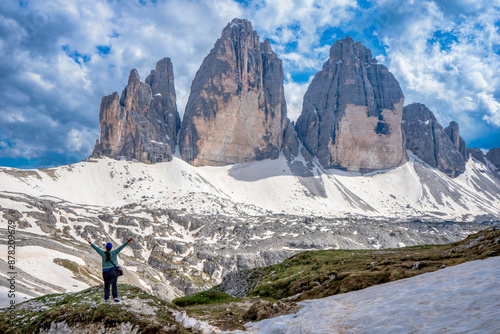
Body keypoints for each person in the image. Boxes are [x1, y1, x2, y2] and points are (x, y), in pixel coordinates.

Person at [85, 238, 133, 302]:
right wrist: (127, 242)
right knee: (114, 285)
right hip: (113, 271)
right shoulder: (114, 252)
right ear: (111, 248)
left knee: (107, 285)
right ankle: (115, 297)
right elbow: (121, 247)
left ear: (106, 248)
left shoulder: (102, 253)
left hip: (105, 272)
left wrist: (90, 243)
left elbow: (96, 248)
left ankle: (107, 299)